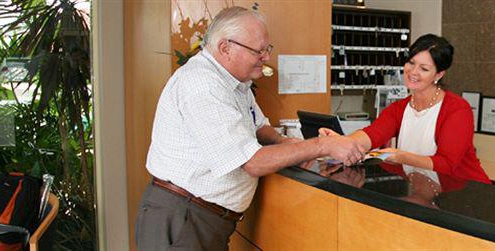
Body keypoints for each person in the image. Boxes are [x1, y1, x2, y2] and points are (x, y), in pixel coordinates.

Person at [136, 7, 365, 250]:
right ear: (225, 48)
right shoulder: (203, 84)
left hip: (203, 218)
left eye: (268, 49)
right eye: (258, 50)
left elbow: (257, 127)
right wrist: (322, 145)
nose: (266, 57)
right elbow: (252, 162)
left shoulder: (235, 82)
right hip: (185, 217)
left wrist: (287, 144)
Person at [322, 34, 490, 184]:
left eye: (424, 68)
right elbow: (371, 134)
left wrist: (401, 157)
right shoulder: (399, 108)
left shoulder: (457, 109)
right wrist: (342, 143)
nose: (413, 72)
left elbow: (446, 164)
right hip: (423, 190)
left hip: (466, 194)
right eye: (411, 62)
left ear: (438, 75)